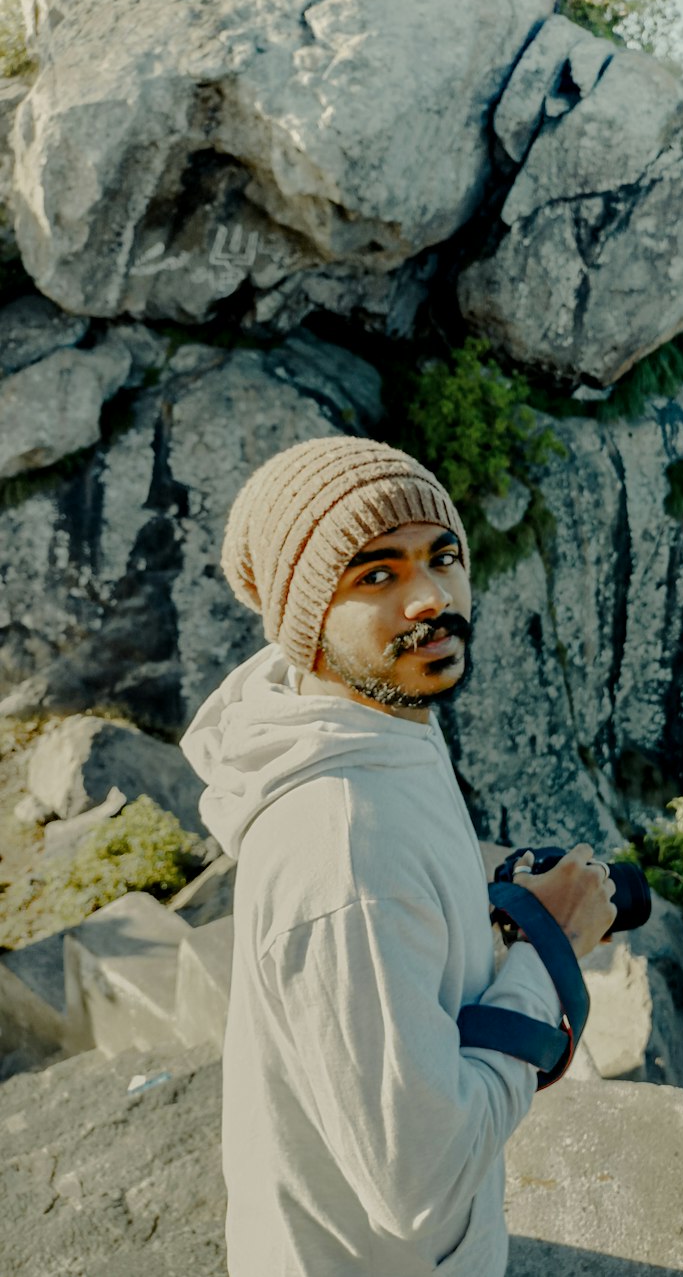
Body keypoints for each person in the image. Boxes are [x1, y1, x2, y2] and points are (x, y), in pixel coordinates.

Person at [180, 435, 616, 1277]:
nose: (429, 597)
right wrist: (548, 949)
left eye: (442, 557)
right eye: (375, 575)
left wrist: (480, 880)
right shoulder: (344, 853)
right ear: (307, 625)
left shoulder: (369, 719)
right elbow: (425, 1184)